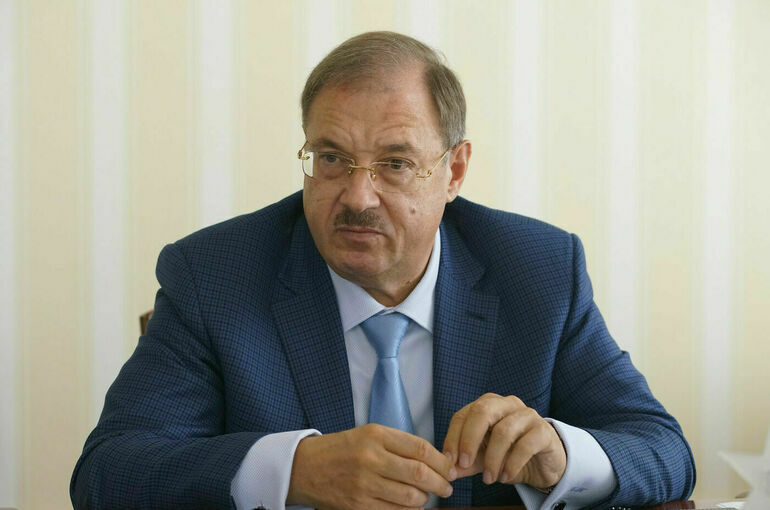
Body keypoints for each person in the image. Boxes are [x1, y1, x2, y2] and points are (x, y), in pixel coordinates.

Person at [71, 31, 695, 510]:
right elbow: (109, 472)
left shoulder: (537, 270)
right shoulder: (215, 276)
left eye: (395, 164)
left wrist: (561, 455)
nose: (357, 196)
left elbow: (663, 449)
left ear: (454, 171)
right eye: (332, 158)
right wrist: (294, 470)